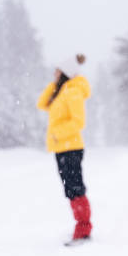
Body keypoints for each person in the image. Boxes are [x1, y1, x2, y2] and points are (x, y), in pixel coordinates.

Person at [37, 54, 92, 244]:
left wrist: (57, 134)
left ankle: (84, 230)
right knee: (70, 189)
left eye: (57, 70)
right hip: (62, 148)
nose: (54, 73)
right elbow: (42, 103)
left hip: (71, 147)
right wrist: (55, 84)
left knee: (76, 188)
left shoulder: (73, 92)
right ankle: (81, 227)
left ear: (65, 72)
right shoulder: (62, 92)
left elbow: (79, 122)